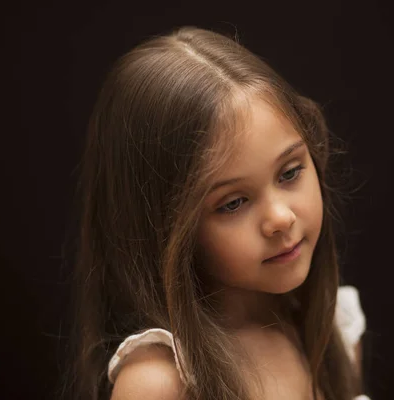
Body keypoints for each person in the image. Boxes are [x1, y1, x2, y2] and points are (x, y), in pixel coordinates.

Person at [63, 25, 370, 400]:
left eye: (289, 172)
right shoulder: (163, 384)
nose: (281, 218)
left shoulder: (331, 329)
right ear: (164, 227)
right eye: (233, 203)